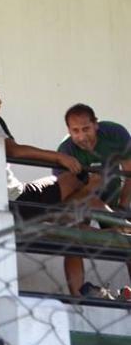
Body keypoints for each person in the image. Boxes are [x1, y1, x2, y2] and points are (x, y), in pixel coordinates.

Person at [0, 73, 111, 227]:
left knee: (78, 197)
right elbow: (14, 152)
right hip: (13, 202)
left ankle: (72, 219)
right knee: (77, 176)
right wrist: (59, 157)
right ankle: (70, 218)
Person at [57, 104, 131, 297]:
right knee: (71, 235)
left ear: (96, 125)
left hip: (117, 197)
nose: (82, 137)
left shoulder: (115, 133)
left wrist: (123, 205)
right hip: (85, 202)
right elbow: (68, 200)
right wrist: (91, 187)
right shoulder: (65, 150)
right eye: (75, 131)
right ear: (68, 131)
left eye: (86, 129)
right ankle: (78, 296)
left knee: (128, 238)